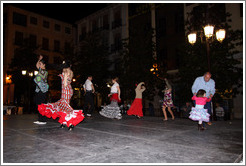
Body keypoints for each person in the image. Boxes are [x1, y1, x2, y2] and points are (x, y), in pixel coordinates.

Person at [38, 61, 84, 131]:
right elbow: (68, 81)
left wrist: (63, 79)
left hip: (66, 90)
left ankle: (71, 123)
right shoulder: (70, 72)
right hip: (68, 90)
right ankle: (64, 122)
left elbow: (65, 84)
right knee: (64, 106)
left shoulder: (65, 72)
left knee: (65, 106)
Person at [33, 55, 49, 125]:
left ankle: (43, 120)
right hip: (39, 89)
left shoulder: (44, 72)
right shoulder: (41, 70)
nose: (39, 65)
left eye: (41, 64)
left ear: (44, 65)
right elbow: (36, 65)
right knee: (38, 104)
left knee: (41, 105)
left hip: (42, 90)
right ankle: (40, 119)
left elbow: (39, 78)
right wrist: (39, 60)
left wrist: (36, 78)